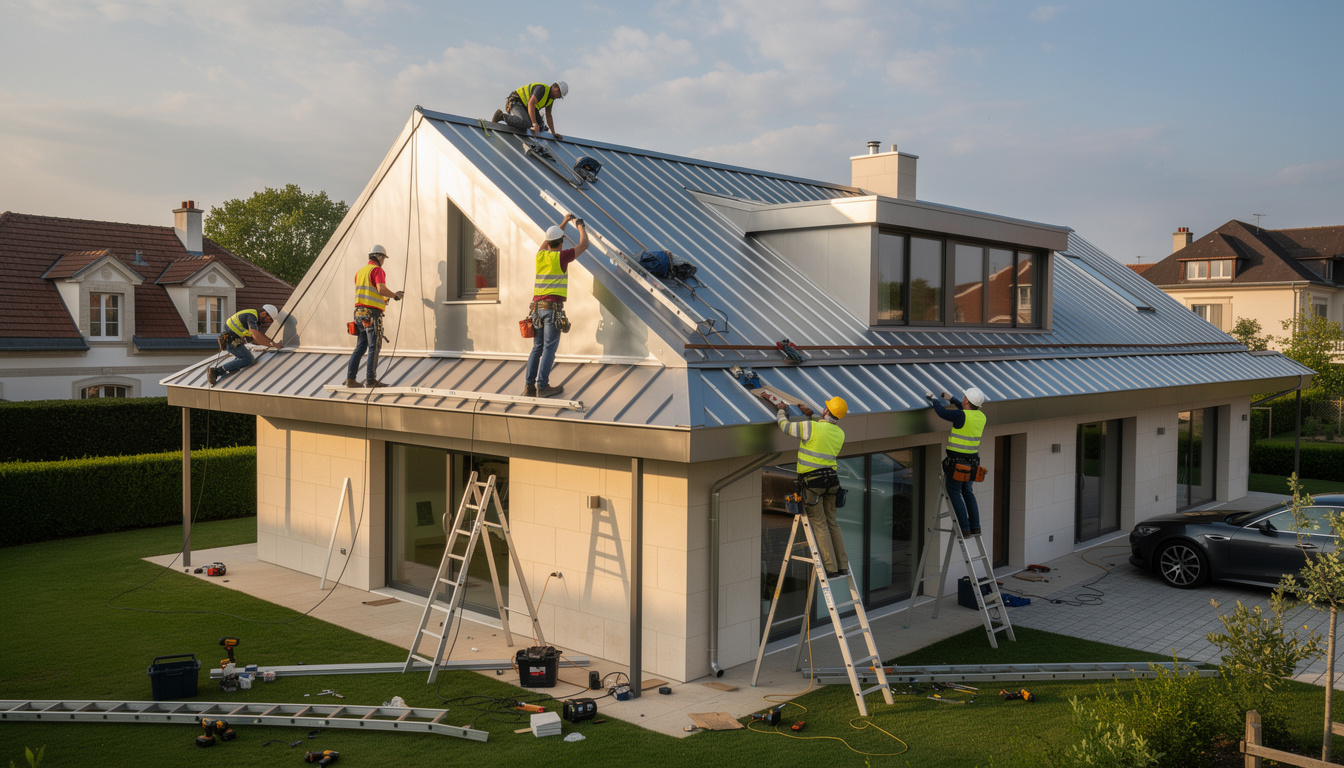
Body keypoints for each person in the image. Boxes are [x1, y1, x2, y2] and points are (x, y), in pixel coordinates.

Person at [776, 396, 850, 578]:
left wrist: (781, 410)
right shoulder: (840, 433)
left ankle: (830, 569)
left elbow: (785, 427)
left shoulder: (812, 427)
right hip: (832, 482)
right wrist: (810, 417)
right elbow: (821, 433)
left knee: (820, 524)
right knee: (832, 522)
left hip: (812, 483)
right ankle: (842, 566)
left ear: (825, 411)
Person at [525, 214, 588, 398]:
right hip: (552, 310)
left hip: (536, 310)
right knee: (549, 348)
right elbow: (584, 245)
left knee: (537, 348)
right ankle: (543, 386)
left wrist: (564, 222)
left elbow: (548, 240)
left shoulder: (541, 255)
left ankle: (529, 386)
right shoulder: (561, 257)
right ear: (561, 241)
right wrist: (580, 226)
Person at [926, 387, 988, 535]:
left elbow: (942, 413)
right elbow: (966, 413)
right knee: (968, 492)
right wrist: (951, 399)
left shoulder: (961, 416)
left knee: (954, 492)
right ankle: (975, 527)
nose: (963, 398)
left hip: (958, 463)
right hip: (973, 462)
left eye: (964, 397)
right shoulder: (981, 416)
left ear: (967, 400)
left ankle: (964, 528)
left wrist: (934, 399)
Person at [346, 244, 404, 388]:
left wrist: (384, 300)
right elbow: (380, 289)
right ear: (379, 256)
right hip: (371, 315)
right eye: (383, 257)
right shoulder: (377, 270)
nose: (384, 260)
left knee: (360, 347)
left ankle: (351, 379)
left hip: (359, 314)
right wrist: (395, 296)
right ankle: (371, 380)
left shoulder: (360, 272)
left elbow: (369, 293)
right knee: (374, 346)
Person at [207, 304, 281, 385]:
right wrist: (273, 345)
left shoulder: (254, 319)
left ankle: (224, 372)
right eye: (269, 319)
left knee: (242, 359)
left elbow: (257, 337)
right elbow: (257, 337)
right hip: (229, 339)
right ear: (263, 313)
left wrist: (272, 342)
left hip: (231, 339)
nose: (268, 322)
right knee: (248, 359)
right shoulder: (252, 317)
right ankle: (216, 372)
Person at [492, 81, 568, 139]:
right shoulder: (542, 89)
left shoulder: (551, 99)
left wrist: (553, 133)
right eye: (559, 95)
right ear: (556, 89)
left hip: (526, 107)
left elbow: (548, 115)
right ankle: (501, 116)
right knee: (525, 123)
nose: (558, 97)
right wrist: (534, 123)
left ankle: (523, 125)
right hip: (516, 101)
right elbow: (531, 104)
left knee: (542, 128)